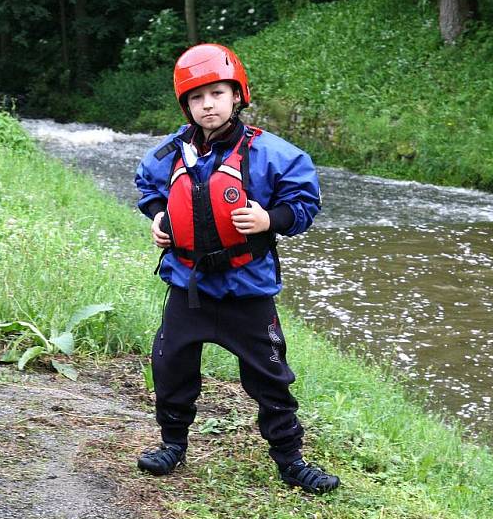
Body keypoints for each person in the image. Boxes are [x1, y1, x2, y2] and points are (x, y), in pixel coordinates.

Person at [134, 43, 339, 494]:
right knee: (170, 366)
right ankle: (172, 444)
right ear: (185, 105)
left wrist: (270, 220)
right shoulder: (170, 154)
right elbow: (148, 189)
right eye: (196, 97)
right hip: (188, 288)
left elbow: (304, 204)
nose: (207, 104)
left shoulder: (272, 154)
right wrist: (157, 218)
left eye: (217, 93)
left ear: (237, 95)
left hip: (247, 291)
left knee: (270, 377)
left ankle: (290, 460)